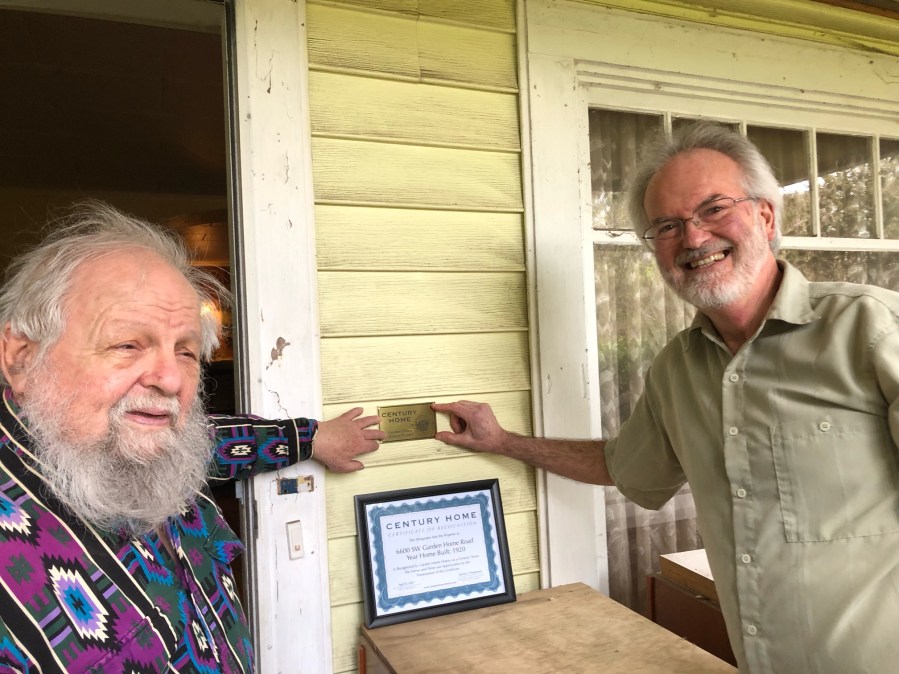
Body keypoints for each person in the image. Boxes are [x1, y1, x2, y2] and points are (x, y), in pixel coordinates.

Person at [433, 123, 899, 673]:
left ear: (766, 217)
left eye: (713, 209)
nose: (694, 239)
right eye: (668, 226)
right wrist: (504, 441)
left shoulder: (871, 327)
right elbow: (622, 467)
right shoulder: (677, 369)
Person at [0, 201, 385, 673]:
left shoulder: (145, 443)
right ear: (21, 357)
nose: (171, 379)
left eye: (185, 351)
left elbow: (212, 442)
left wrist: (310, 439)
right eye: (127, 345)